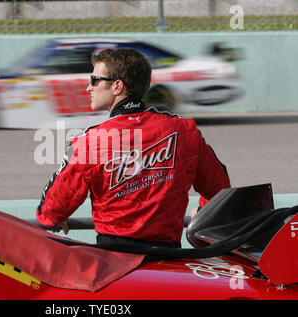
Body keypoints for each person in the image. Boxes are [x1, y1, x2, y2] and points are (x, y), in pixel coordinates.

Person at [36, 48, 230, 248]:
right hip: (168, 264)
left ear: (117, 86)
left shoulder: (88, 142)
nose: (88, 88)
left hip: (115, 266)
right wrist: (202, 214)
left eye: (94, 80)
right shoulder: (184, 130)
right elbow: (220, 188)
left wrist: (52, 218)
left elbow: (50, 212)